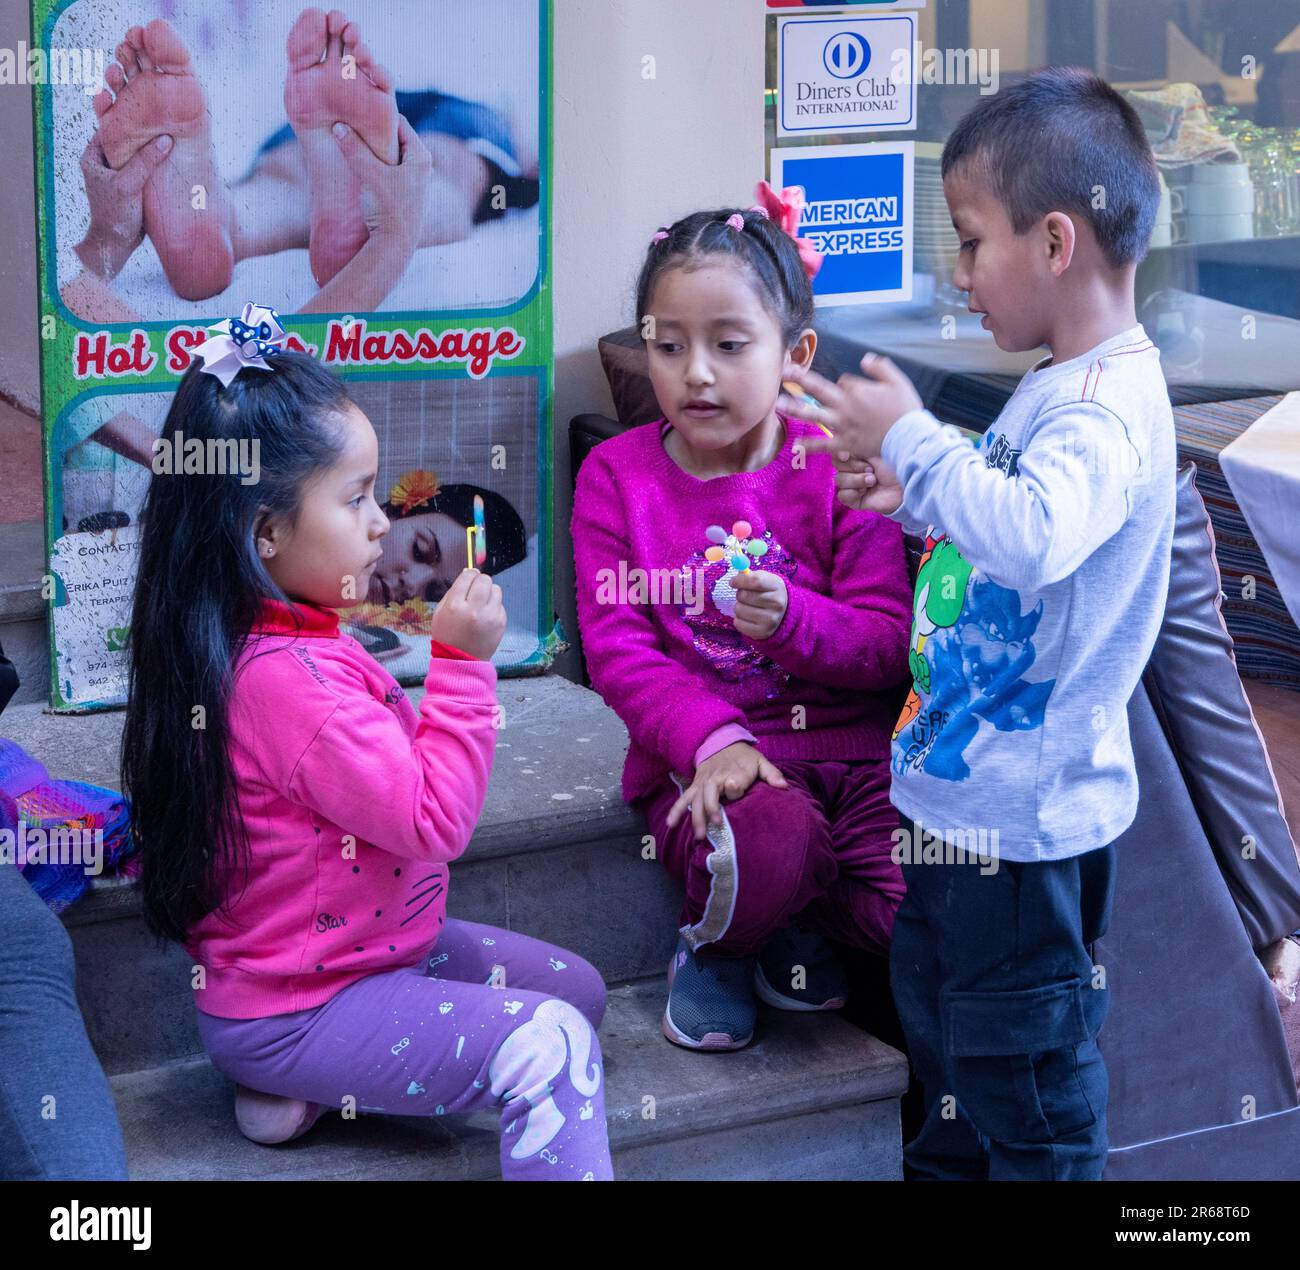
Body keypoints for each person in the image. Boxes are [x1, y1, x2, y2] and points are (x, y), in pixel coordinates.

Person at [789, 66, 1174, 1180]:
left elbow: (1035, 533)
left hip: (1024, 832)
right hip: (962, 809)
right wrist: (908, 495)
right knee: (948, 1064)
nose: (958, 279)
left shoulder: (1103, 411)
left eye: (969, 242)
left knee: (1029, 1095)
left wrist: (913, 440)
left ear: (1055, 242)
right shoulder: (1058, 384)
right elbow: (996, 530)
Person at [120, 325, 613, 1180]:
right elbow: (434, 819)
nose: (379, 522)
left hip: (374, 951)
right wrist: (462, 663)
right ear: (264, 532)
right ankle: (292, 1067)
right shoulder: (286, 683)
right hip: (306, 1002)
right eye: (353, 500)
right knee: (553, 1042)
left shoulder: (294, 631)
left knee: (582, 992)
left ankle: (295, 1093)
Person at [572, 184, 913, 1052]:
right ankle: (718, 947)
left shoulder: (839, 463)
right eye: (668, 344)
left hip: (855, 757)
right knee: (762, 838)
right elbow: (620, 654)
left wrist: (795, 620)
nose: (695, 373)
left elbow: (884, 646)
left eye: (729, 346)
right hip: (711, 760)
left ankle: (798, 904)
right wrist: (716, 741)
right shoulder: (615, 477)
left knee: (909, 915)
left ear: (795, 351)